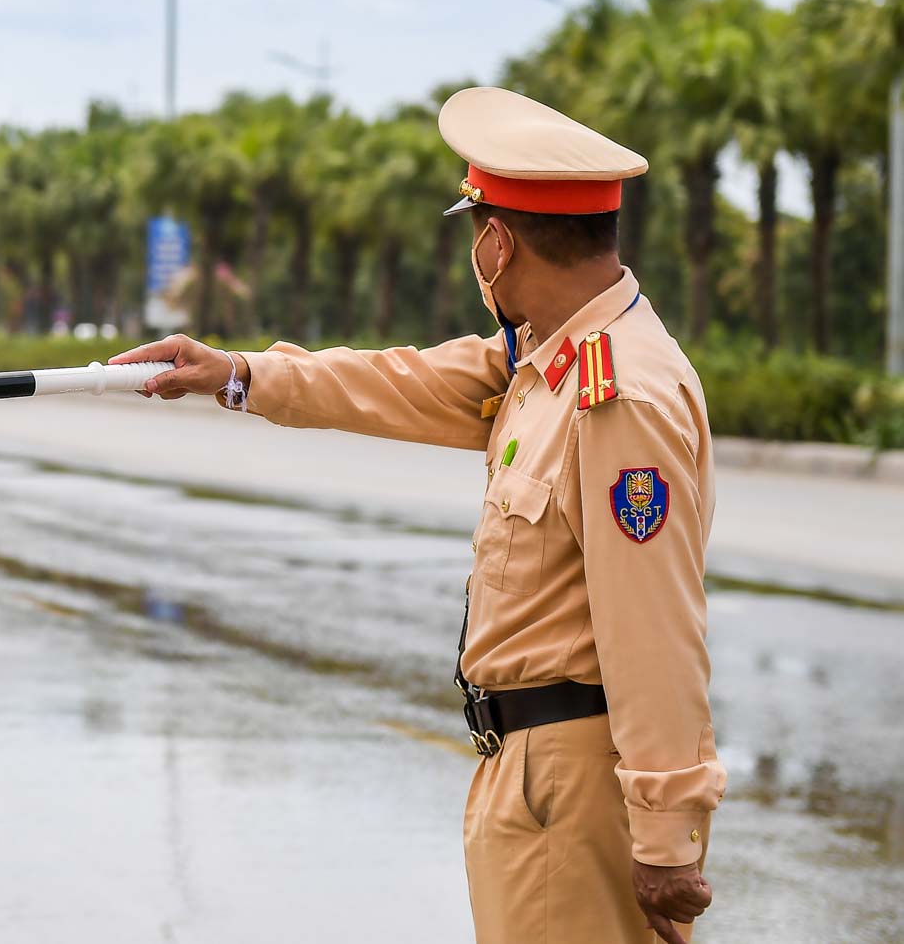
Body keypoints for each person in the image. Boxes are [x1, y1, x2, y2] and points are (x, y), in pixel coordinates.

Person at [112, 86, 724, 944]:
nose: (477, 253)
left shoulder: (614, 391)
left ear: (499, 242)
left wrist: (665, 832)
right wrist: (237, 372)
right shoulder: (545, 359)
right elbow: (394, 379)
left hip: (573, 783)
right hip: (529, 775)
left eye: (477, 230)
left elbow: (656, 629)